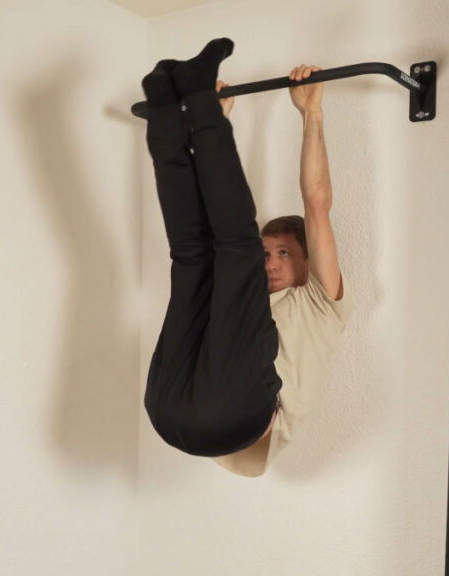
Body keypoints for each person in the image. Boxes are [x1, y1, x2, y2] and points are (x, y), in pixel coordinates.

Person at [143, 38, 353, 477]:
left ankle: (199, 105)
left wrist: (311, 114)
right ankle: (167, 109)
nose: (270, 262)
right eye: (267, 252)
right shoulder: (237, 297)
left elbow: (316, 202)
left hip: (231, 418)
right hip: (166, 409)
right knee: (193, 255)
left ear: (308, 263)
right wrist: (209, 123)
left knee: (232, 247)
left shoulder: (318, 306)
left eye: (283, 253)